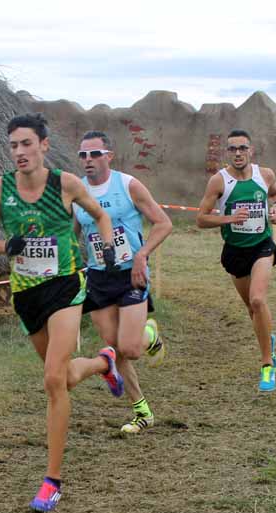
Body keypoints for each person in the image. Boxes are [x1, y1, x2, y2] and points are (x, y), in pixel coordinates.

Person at [0, 113, 124, 513]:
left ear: (44, 145)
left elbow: (101, 215)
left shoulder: (66, 183)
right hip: (26, 294)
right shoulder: (1, 188)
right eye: (13, 146)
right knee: (61, 377)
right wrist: (8, 246)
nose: (20, 152)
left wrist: (108, 247)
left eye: (27, 144)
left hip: (65, 287)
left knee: (50, 382)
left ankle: (52, 480)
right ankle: (103, 363)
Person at [74, 131, 173, 434]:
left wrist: (142, 255)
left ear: (109, 156)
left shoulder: (128, 185)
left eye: (95, 154)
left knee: (129, 349)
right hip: (99, 276)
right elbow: (73, 234)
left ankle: (150, 334)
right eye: (83, 156)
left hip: (131, 272)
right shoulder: (77, 192)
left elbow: (164, 223)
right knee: (113, 347)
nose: (89, 160)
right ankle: (141, 410)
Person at [195, 129, 276, 392]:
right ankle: (268, 338)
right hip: (235, 251)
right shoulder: (218, 182)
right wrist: (228, 219)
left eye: (242, 148)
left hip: (262, 246)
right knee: (252, 310)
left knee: (258, 300)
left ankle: (267, 364)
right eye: (232, 149)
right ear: (227, 153)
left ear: (250, 150)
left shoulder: (265, 175)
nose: (237, 153)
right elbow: (201, 219)